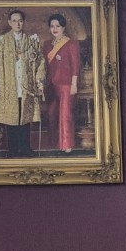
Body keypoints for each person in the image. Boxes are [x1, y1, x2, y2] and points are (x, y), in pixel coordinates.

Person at [0, 9, 46, 157]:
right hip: (9, 85)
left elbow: (40, 62)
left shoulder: (32, 41)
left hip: (26, 86)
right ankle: (12, 150)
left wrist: (39, 80)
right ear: (9, 23)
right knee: (11, 119)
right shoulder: (2, 41)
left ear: (23, 22)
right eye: (14, 21)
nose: (17, 24)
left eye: (20, 21)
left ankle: (26, 148)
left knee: (25, 118)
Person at [43, 13, 81, 154]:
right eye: (52, 26)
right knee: (52, 114)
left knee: (65, 115)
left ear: (63, 27)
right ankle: (54, 143)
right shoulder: (47, 44)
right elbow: (45, 66)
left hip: (66, 84)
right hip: (51, 84)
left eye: (58, 26)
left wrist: (74, 84)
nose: (55, 29)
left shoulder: (71, 44)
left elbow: (76, 66)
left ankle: (67, 144)